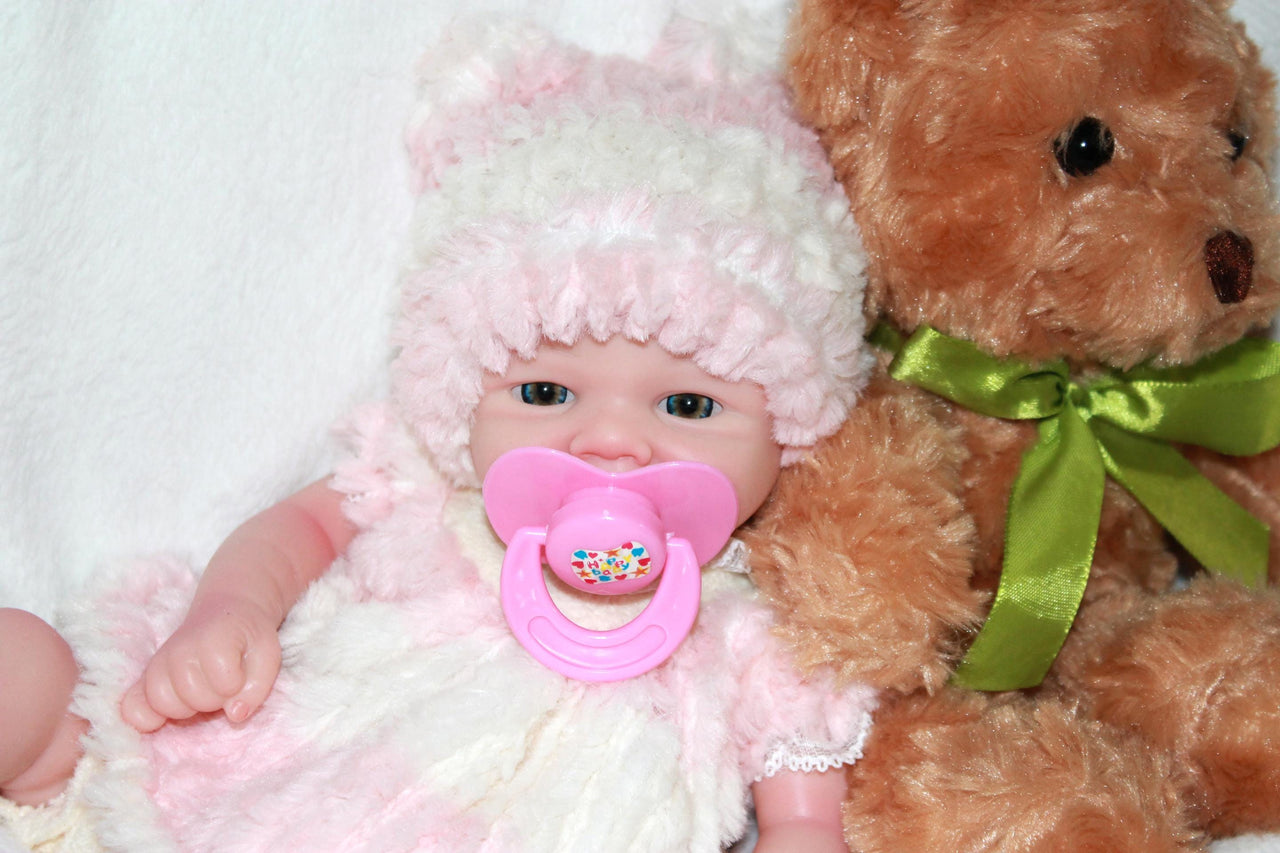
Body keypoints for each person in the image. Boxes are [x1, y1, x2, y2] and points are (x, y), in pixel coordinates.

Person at [0, 17, 873, 852]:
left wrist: (802, 828)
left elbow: (799, 764)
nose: (610, 444)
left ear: (790, 427)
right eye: (543, 390)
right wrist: (233, 610)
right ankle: (51, 767)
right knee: (29, 670)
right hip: (301, 764)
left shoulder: (750, 615)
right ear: (464, 393)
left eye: (685, 406)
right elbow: (302, 526)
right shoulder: (422, 483)